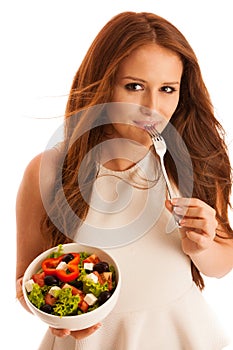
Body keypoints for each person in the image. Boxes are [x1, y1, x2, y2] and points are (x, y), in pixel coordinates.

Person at [16, 11, 233, 350]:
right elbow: (27, 282)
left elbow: (223, 264)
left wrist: (202, 246)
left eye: (167, 89)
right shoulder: (47, 172)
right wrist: (52, 313)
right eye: (134, 87)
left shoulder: (197, 159)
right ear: (103, 83)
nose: (153, 107)